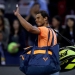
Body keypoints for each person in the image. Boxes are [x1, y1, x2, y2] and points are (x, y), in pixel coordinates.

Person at [14, 5, 59, 75]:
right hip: (52, 66)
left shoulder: (44, 29)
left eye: (38, 18)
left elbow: (30, 29)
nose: (36, 20)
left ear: (45, 19)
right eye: (35, 18)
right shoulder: (52, 30)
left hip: (44, 65)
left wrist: (18, 15)